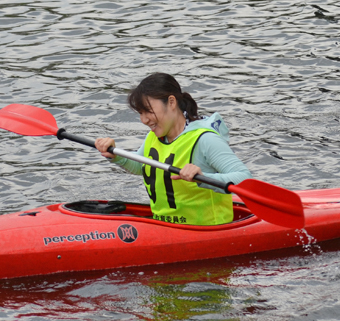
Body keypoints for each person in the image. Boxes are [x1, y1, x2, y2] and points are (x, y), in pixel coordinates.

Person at [95, 73, 252, 226]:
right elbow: (140, 166)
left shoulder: (205, 140)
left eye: (148, 111)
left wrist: (204, 178)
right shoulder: (154, 136)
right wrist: (115, 155)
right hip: (165, 226)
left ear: (171, 102)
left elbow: (245, 180)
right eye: (140, 113)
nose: (144, 120)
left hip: (207, 231)